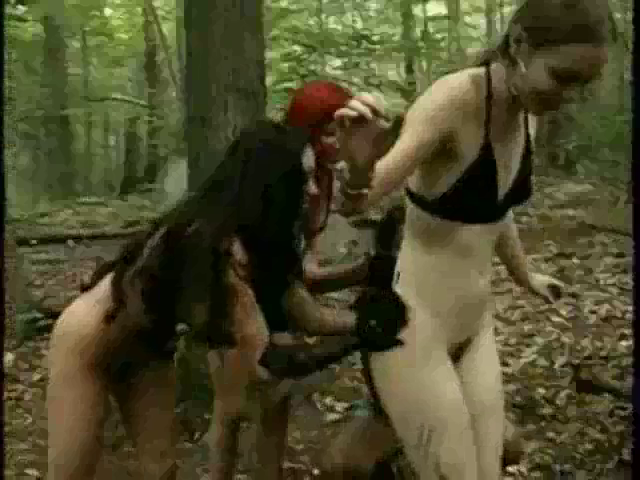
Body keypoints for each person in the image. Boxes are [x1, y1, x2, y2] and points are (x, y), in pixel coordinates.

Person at [334, 0, 610, 478]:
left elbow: (496, 210)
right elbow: (359, 201)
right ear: (520, 44)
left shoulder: (526, 110)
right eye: (563, 78)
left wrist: (524, 275)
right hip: (412, 326)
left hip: (475, 325)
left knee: (489, 470)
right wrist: (358, 169)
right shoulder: (454, 100)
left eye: (581, 85)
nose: (569, 96)